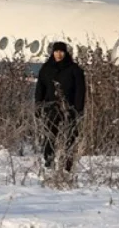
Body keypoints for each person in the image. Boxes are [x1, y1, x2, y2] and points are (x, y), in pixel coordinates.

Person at [34, 41, 86, 172]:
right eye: (56, 51)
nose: (59, 54)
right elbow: (40, 88)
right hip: (51, 107)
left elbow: (80, 90)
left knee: (71, 135)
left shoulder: (74, 69)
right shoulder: (46, 68)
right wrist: (38, 106)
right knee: (50, 135)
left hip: (69, 108)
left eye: (61, 51)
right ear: (52, 52)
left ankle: (68, 164)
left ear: (66, 52)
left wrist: (78, 109)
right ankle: (49, 161)